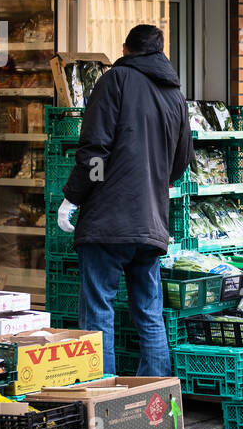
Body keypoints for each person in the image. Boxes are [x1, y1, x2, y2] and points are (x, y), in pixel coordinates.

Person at [57, 25, 192, 377]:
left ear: (125, 48)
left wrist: (74, 197)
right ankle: (156, 400)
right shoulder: (175, 95)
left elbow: (95, 153)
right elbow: (180, 163)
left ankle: (103, 395)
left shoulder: (114, 81)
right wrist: (150, 183)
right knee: (149, 310)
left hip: (108, 222)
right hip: (150, 223)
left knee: (99, 308)